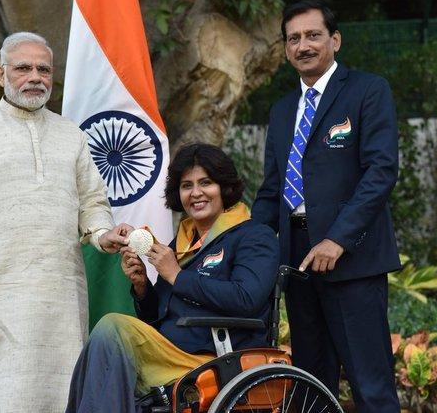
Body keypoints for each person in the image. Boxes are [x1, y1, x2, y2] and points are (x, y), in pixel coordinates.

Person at [0, 31, 131, 412]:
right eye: (23, 67)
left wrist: (103, 233)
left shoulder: (69, 133)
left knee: (60, 400)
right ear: (0, 73)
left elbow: (92, 203)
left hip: (59, 304)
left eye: (44, 68)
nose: (35, 76)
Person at [251, 0, 401, 412]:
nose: (303, 45)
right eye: (293, 38)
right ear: (285, 49)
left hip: (351, 260)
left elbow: (381, 172)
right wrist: (246, 248)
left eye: (313, 35)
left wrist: (338, 238)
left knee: (370, 385)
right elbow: (271, 192)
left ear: (335, 40)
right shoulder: (282, 111)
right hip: (297, 261)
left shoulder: (368, 91)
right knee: (310, 386)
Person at [65, 143, 280, 413]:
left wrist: (177, 276)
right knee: (106, 337)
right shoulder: (182, 242)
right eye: (186, 185)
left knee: (112, 327)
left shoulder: (254, 235)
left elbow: (246, 298)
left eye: (206, 183)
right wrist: (142, 286)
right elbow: (158, 316)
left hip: (215, 355)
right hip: (169, 350)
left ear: (224, 187)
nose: (196, 193)